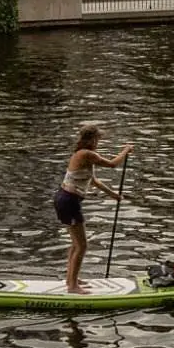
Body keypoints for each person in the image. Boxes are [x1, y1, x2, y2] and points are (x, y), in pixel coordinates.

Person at [54, 125, 133, 294]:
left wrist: (113, 195)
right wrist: (125, 151)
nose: (98, 142)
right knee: (82, 246)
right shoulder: (86, 154)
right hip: (68, 201)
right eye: (98, 139)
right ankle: (72, 286)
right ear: (91, 139)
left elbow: (94, 181)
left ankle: (71, 279)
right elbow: (112, 164)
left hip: (66, 200)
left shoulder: (84, 156)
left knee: (76, 244)